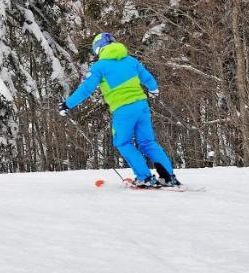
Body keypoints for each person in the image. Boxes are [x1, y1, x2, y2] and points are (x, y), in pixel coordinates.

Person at [57, 32, 180, 189]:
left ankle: (145, 177)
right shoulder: (130, 60)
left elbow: (86, 89)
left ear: (98, 49)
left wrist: (67, 105)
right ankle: (168, 177)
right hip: (142, 106)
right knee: (148, 142)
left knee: (123, 142)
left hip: (123, 110)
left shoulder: (99, 67)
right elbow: (148, 78)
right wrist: (154, 90)